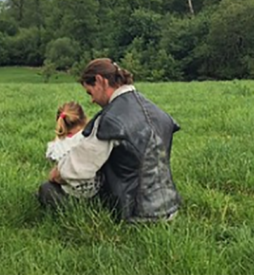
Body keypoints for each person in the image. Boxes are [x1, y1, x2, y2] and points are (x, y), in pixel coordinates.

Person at [38, 58, 181, 222]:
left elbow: (77, 169)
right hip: (169, 208)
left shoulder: (110, 120)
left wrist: (56, 173)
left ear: (100, 81)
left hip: (132, 214)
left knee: (47, 190)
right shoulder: (158, 113)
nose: (92, 100)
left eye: (90, 92)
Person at [44, 101, 101, 199]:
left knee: (46, 188)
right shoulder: (91, 137)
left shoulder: (59, 143)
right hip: (94, 190)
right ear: (84, 119)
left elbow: (49, 154)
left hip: (70, 191)